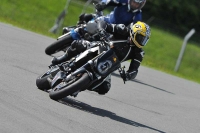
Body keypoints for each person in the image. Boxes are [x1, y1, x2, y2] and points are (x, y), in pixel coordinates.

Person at [52, 21, 151, 95]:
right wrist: (101, 29)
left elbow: (134, 69)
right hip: (101, 47)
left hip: (110, 63)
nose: (142, 41)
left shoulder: (139, 52)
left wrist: (128, 75)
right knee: (78, 44)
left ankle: (79, 85)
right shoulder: (122, 30)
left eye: (144, 40)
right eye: (140, 37)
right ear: (134, 32)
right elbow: (103, 24)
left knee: (105, 88)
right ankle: (63, 58)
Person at [63, 0, 146, 34]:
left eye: (137, 3)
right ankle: (75, 31)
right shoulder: (123, 1)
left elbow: (136, 27)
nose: (135, 4)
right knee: (86, 17)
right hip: (106, 20)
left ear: (141, 4)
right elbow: (109, 1)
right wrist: (103, 4)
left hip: (114, 31)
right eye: (134, 2)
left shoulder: (138, 15)